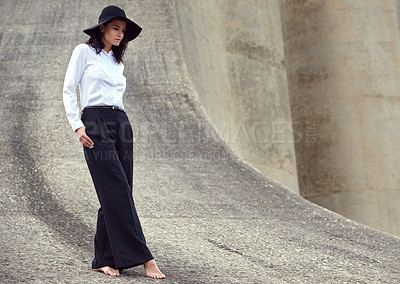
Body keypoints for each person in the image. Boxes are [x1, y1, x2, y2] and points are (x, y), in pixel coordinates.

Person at [62, 5, 165, 279]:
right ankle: (145, 257)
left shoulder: (117, 62)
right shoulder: (83, 52)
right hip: (95, 121)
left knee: (120, 190)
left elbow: (116, 98)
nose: (120, 34)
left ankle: (103, 258)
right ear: (103, 29)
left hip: (121, 123)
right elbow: (68, 89)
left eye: (123, 31)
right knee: (116, 188)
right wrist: (77, 126)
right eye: (116, 28)